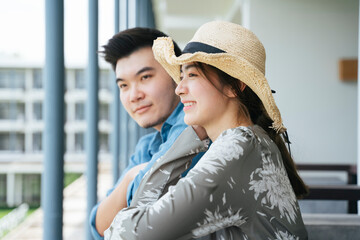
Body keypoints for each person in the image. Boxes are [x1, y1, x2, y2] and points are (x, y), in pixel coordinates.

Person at [104, 21, 309, 240]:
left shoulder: (237, 149)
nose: (180, 89)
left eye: (192, 75)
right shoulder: (251, 142)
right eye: (181, 76)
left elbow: (128, 235)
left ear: (234, 86)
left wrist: (184, 144)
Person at [89, 27, 206, 239]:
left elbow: (150, 197)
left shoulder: (196, 126)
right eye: (124, 85)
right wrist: (130, 179)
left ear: (177, 74)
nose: (134, 95)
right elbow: (99, 226)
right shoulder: (147, 147)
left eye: (145, 77)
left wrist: (128, 184)